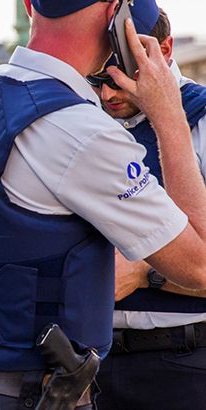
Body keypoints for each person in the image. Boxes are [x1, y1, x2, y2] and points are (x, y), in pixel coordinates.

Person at [0, 0, 206, 409]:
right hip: (43, 392)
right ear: (115, 12)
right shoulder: (81, 130)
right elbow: (199, 266)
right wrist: (168, 115)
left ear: (28, 7)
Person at [87, 6, 206, 410]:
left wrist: (146, 275)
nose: (108, 94)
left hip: (185, 364)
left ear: (164, 49)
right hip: (88, 363)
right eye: (97, 78)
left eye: (122, 74)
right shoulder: (80, 122)